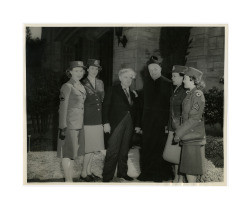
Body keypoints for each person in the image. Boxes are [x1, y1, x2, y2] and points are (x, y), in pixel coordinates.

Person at [137, 56, 174, 182]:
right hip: (147, 123)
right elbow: (142, 105)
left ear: (160, 69)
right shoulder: (146, 83)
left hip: (161, 123)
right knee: (147, 147)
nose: (153, 71)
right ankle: (146, 173)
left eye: (155, 68)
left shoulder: (168, 83)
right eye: (150, 69)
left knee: (160, 147)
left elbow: (171, 107)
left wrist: (168, 124)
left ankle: (160, 175)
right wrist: (140, 124)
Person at [102, 68, 138, 182]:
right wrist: (105, 122)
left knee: (124, 150)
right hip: (116, 123)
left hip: (129, 124)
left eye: (130, 78)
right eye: (126, 77)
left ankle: (123, 173)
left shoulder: (133, 93)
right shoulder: (112, 89)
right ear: (120, 78)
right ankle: (107, 176)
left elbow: (135, 110)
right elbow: (105, 107)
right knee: (113, 149)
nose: (128, 80)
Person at [173, 67, 206, 183]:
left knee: (190, 170)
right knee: (188, 169)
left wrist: (179, 132)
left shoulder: (197, 94)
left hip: (193, 137)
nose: (183, 81)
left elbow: (194, 119)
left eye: (185, 78)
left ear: (193, 79)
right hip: (188, 136)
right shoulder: (190, 94)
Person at [57, 61, 87, 182]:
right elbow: (63, 108)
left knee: (73, 154)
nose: (79, 73)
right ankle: (68, 181)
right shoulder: (67, 86)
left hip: (79, 124)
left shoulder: (80, 85)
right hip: (69, 125)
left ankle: (69, 180)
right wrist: (63, 126)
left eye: (81, 71)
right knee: (67, 153)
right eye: (76, 71)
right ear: (70, 72)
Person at [79, 59, 105, 182]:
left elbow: (102, 100)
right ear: (87, 69)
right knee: (88, 148)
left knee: (94, 147)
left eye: (97, 68)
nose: (94, 70)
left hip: (98, 118)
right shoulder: (82, 83)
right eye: (92, 68)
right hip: (87, 118)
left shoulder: (100, 83)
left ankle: (88, 171)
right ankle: (84, 173)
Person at [162, 65, 188, 183]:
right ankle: (177, 177)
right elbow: (171, 111)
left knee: (179, 154)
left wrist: (181, 129)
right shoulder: (176, 89)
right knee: (174, 155)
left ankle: (180, 178)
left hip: (179, 128)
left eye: (174, 76)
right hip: (173, 127)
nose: (172, 78)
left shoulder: (185, 91)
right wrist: (168, 126)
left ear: (183, 78)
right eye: (172, 76)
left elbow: (185, 113)